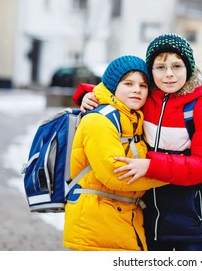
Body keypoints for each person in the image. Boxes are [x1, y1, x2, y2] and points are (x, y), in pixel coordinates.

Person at [75, 33, 202, 251]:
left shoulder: (200, 109)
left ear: (188, 69)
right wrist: (85, 96)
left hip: (191, 216)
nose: (169, 74)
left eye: (176, 66)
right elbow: (115, 90)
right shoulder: (147, 99)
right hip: (148, 213)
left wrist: (151, 165)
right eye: (160, 67)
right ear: (151, 71)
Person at [63, 55, 167, 251]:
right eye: (128, 83)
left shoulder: (132, 119)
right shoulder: (99, 121)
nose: (137, 89)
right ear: (113, 86)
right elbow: (115, 175)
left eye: (143, 86)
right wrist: (172, 173)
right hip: (97, 227)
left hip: (121, 221)